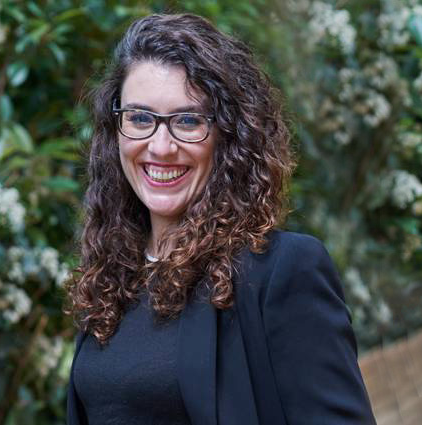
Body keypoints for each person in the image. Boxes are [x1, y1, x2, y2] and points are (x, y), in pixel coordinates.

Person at [63, 13, 377, 425]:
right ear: (115, 130)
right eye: (140, 118)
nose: (161, 146)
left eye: (188, 120)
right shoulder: (112, 280)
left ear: (229, 136)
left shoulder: (279, 270)